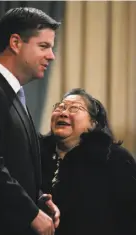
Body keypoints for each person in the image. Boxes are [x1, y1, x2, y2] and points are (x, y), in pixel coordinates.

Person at [0, 7, 60, 235]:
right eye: (44, 46)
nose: (51, 55)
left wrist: (38, 198)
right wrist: (29, 213)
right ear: (15, 42)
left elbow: (15, 163)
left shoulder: (11, 91)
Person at [40, 88, 136, 235]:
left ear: (93, 123)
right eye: (60, 107)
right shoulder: (36, 154)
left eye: (74, 108)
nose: (63, 113)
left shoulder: (116, 159)